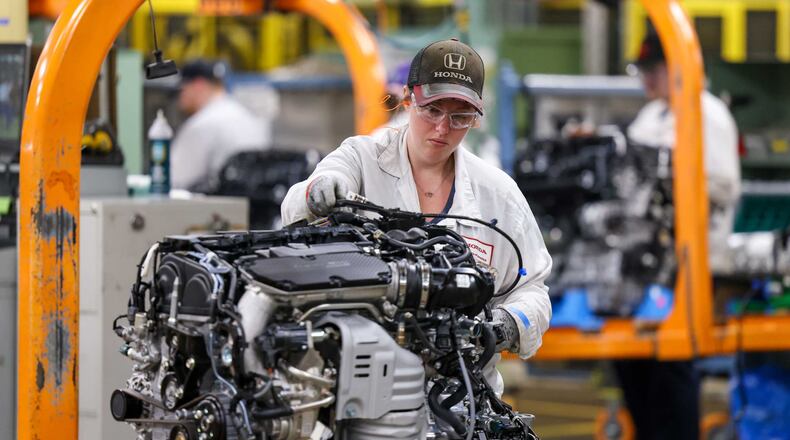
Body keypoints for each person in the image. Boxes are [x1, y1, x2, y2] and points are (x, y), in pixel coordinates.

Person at [281, 38, 552, 395]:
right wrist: (320, 192)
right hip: (359, 388)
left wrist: (505, 325)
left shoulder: (498, 195)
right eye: (432, 110)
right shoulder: (363, 159)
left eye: (460, 117)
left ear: (476, 116)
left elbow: (532, 287)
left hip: (461, 396)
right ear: (409, 98)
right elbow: (297, 207)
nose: (443, 129)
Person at [614, 31, 741, 440]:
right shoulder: (652, 117)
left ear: (682, 67)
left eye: (654, 70)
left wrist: (670, 178)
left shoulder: (707, 113)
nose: (646, 81)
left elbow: (723, 187)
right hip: (645, 267)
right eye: (642, 71)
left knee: (672, 365)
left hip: (691, 263)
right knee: (630, 359)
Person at [171, 59, 270, 192]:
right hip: (252, 208)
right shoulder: (248, 117)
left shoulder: (202, 124)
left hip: (216, 209)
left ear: (198, 85)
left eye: (181, 90)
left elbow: (175, 181)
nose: (179, 99)